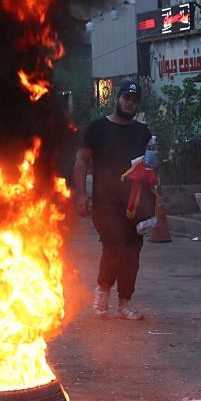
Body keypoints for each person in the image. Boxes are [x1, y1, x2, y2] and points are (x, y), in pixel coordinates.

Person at [73, 80, 151, 320]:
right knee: (114, 245)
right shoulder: (97, 128)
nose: (130, 103)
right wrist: (80, 194)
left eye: (134, 100)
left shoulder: (142, 132)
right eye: (126, 98)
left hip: (135, 203)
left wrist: (155, 202)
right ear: (117, 99)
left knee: (133, 251)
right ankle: (103, 292)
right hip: (105, 201)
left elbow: (149, 167)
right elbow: (82, 161)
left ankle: (125, 302)